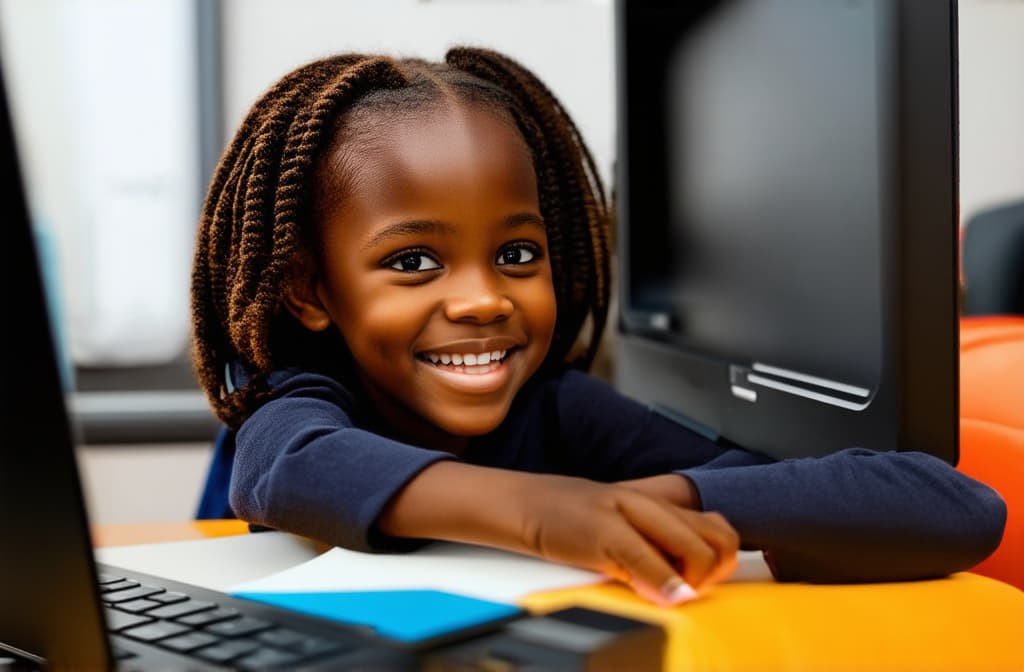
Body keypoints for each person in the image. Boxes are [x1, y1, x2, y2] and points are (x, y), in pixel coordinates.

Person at [191, 48, 1006, 606]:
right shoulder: (302, 404)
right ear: (310, 291)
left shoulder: (559, 408)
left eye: (516, 252)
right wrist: (546, 513)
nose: (483, 300)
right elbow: (287, 466)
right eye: (412, 263)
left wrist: (674, 498)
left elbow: (961, 510)